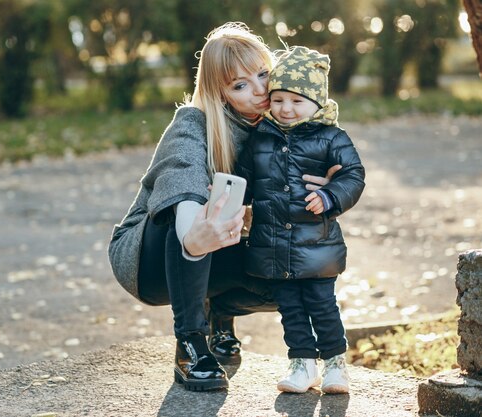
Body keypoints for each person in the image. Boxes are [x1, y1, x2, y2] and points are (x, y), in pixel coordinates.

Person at [108, 23, 339, 392]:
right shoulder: (194, 122)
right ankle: (190, 345)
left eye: (263, 74)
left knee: (290, 270)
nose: (260, 89)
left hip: (220, 247)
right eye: (240, 84)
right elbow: (181, 187)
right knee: (193, 212)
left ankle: (220, 314)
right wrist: (192, 238)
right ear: (221, 93)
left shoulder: (284, 129)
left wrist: (325, 190)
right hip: (148, 257)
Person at [235, 45, 365, 394]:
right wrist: (228, 198)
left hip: (317, 246)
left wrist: (330, 195)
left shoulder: (331, 137)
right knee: (290, 310)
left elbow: (352, 176)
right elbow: (244, 178)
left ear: (316, 102)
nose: (286, 109)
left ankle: (336, 364)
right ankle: (302, 364)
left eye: (296, 101)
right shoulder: (261, 137)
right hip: (274, 244)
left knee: (323, 307)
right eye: (278, 100)